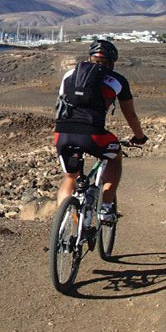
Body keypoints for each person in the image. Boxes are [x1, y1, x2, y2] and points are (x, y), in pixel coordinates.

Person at [54, 39, 147, 223]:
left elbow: (60, 105)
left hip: (62, 133)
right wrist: (139, 137)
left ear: (90, 58)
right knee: (115, 157)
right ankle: (105, 207)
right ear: (112, 62)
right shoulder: (117, 80)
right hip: (93, 135)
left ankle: (65, 224)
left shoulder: (69, 74)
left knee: (70, 177)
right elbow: (130, 114)